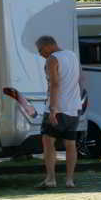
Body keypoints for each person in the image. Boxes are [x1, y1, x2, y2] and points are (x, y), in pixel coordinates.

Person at [35, 35, 83, 188]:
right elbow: (81, 79)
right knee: (71, 144)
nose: (40, 54)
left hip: (59, 108)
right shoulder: (72, 55)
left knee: (48, 143)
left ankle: (51, 179)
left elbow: (55, 84)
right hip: (74, 109)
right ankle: (69, 180)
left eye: (40, 50)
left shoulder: (52, 59)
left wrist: (53, 109)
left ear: (48, 46)